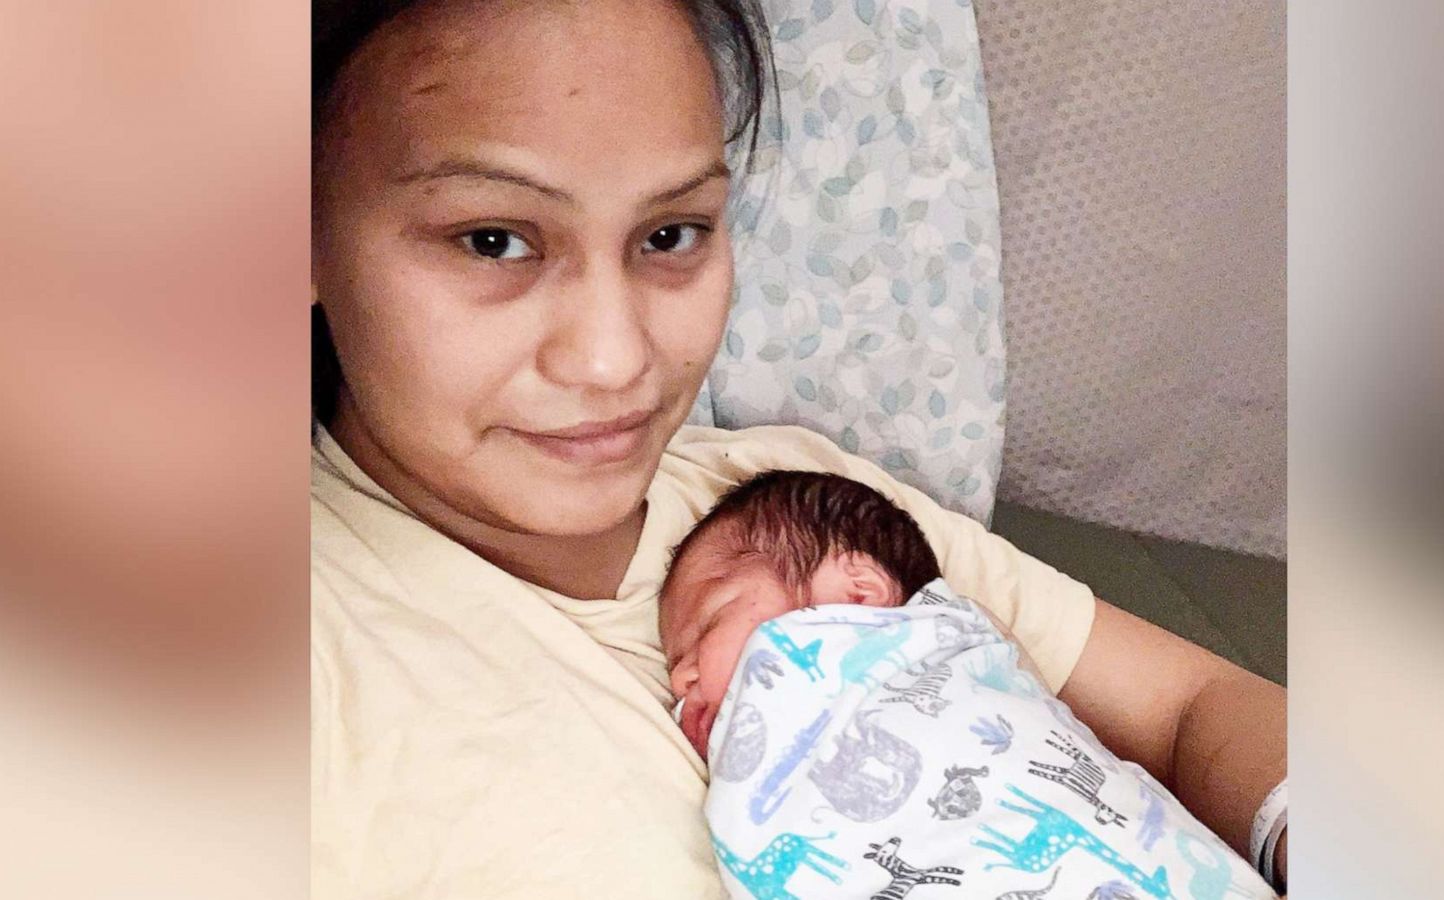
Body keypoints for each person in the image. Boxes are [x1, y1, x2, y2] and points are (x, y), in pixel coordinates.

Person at [310, 0, 1288, 896]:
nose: (616, 360)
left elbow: (1192, 705)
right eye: (493, 241)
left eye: (671, 235)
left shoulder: (790, 508)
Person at [657, 469, 1276, 898]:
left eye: (712, 619)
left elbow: (1075, 719)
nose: (680, 676)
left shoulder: (951, 639)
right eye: (676, 664)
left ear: (858, 592)